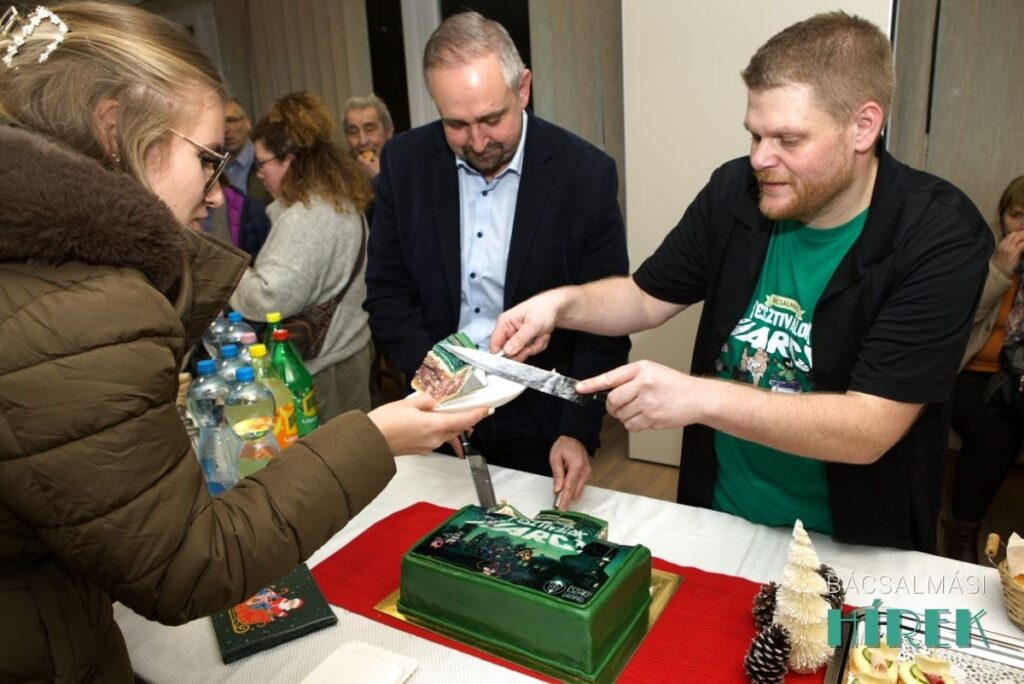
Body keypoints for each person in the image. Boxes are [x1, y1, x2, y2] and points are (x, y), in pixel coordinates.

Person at [0, 4, 487, 681]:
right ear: (116, 132)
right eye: (208, 159)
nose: (215, 192)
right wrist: (377, 437)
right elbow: (190, 564)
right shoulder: (88, 309)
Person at [491, 11, 993, 551]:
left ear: (863, 127)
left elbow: (868, 427)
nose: (760, 158)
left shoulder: (939, 235)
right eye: (754, 134)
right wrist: (559, 304)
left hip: (853, 540)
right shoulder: (736, 190)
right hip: (721, 518)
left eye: (788, 139)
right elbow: (643, 296)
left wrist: (697, 398)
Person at [363, 11, 630, 509]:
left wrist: (578, 431)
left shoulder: (584, 174)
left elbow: (606, 321)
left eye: (491, 119)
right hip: (433, 403)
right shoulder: (404, 163)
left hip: (540, 417)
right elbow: (387, 293)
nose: (478, 143)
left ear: (523, 88)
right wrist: (438, 386)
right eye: (456, 125)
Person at [230, 91, 376, 422]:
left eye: (263, 163)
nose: (259, 174)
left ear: (290, 160)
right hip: (349, 350)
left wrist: (234, 273)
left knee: (333, 464)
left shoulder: (306, 216)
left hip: (325, 371)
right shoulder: (338, 198)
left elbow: (269, 299)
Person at [945, 176, 1024, 562]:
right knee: (996, 433)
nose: (1022, 228)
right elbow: (955, 319)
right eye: (1017, 216)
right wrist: (999, 272)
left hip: (1016, 378)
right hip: (968, 371)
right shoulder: (977, 249)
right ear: (1002, 216)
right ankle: (963, 528)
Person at [223, 97, 272, 203]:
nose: (226, 129)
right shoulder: (210, 166)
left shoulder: (268, 160)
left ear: (247, 124)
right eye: (220, 123)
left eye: (231, 120)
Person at [344, 93, 395, 178]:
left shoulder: (407, 167)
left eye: (370, 130)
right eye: (354, 132)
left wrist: (379, 177)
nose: (363, 141)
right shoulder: (341, 177)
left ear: (389, 131)